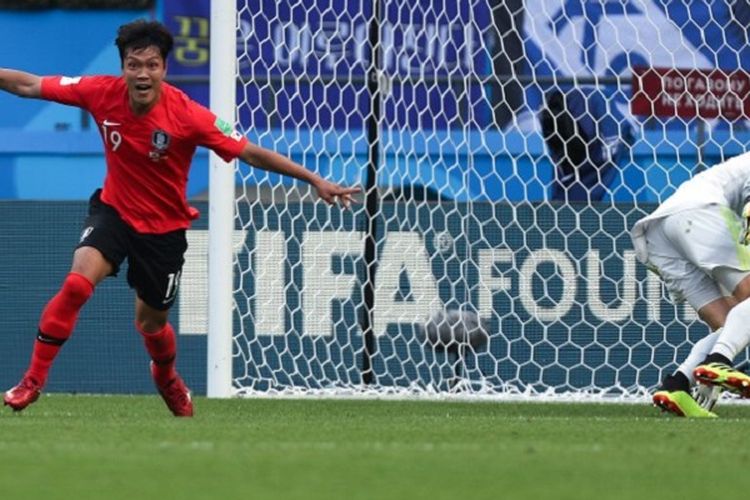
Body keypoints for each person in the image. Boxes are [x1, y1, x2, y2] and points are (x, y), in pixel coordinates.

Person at [0, 20, 360, 417]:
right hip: (114, 212)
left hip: (164, 230)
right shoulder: (99, 92)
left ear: (164, 69)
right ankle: (31, 381)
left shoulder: (189, 115)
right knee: (76, 284)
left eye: (151, 65)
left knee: (152, 324)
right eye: (134, 65)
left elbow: (251, 152)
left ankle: (168, 378)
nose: (142, 74)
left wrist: (313, 179)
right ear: (122, 68)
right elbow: (29, 85)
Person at [631, 151, 750, 417]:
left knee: (730, 323)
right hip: (701, 212)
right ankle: (719, 362)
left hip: (660, 232)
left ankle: (679, 384)